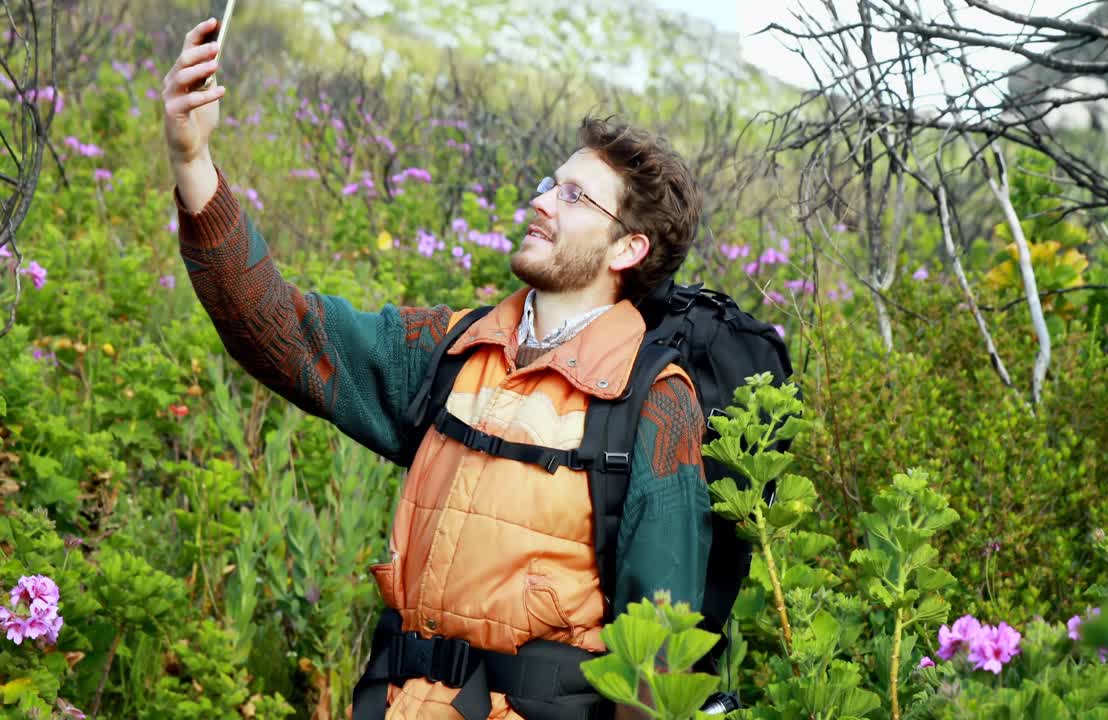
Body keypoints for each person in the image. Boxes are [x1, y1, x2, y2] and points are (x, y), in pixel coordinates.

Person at [163, 18, 712, 720]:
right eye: (551, 183)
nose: (541, 201)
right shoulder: (451, 348)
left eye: (575, 197)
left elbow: (658, 668)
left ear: (628, 249)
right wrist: (192, 159)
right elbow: (279, 330)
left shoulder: (655, 405)